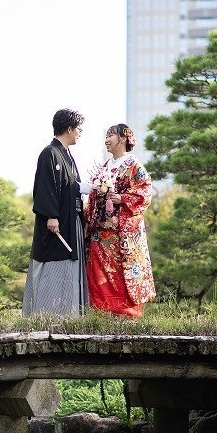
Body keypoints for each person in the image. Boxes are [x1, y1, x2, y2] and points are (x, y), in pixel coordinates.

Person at [22, 108, 92, 316]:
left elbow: (69, 186)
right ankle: (47, 315)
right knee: (52, 266)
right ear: (69, 129)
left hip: (71, 221)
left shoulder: (67, 155)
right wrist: (51, 215)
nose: (80, 133)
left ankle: (69, 314)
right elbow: (45, 186)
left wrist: (80, 189)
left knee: (70, 265)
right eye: (79, 129)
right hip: (56, 224)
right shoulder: (49, 153)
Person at [84, 123, 155, 317]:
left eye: (111, 136)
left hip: (121, 231)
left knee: (121, 273)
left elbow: (145, 192)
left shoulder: (133, 165)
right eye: (106, 136)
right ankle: (101, 312)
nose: (107, 140)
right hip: (101, 230)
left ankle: (125, 313)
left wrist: (122, 198)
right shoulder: (106, 166)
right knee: (99, 273)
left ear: (123, 138)